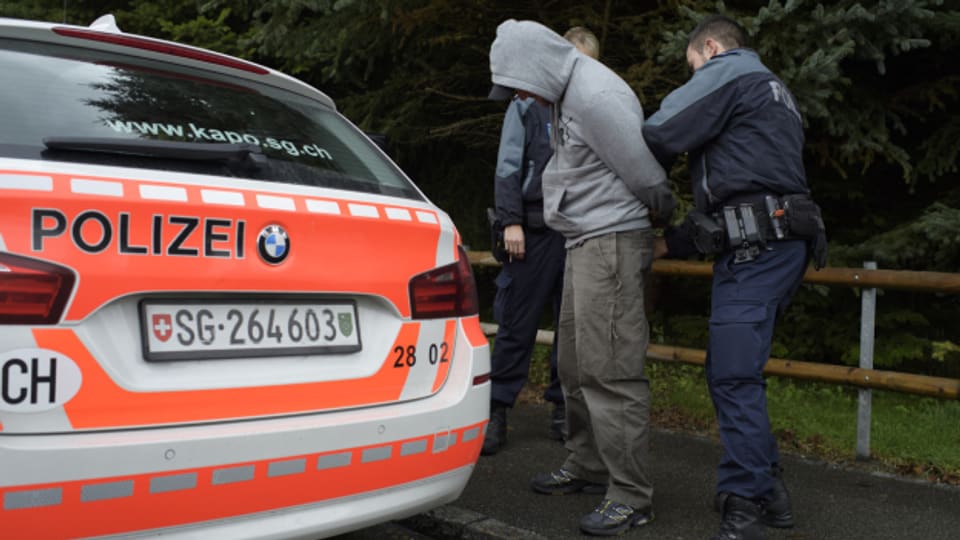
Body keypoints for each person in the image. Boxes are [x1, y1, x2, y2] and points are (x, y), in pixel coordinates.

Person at [488, 19, 676, 536]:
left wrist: (665, 215)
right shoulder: (559, 95)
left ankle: (632, 495)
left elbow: (643, 171)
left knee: (610, 370)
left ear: (535, 66)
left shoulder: (595, 93)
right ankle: (590, 465)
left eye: (519, 83)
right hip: (581, 240)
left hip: (612, 239)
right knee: (572, 364)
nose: (520, 96)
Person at [642, 14, 826, 540]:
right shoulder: (775, 88)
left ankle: (742, 505)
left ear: (712, 46)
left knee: (732, 376)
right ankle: (772, 495)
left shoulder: (731, 70)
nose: (693, 75)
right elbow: (747, 182)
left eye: (693, 65)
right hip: (778, 244)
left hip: (757, 251)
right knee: (739, 371)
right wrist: (671, 243)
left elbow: (658, 131)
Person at [482, 27, 601, 456]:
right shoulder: (527, 105)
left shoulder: (592, 108)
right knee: (517, 324)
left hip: (575, 232)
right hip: (530, 232)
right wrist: (511, 220)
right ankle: (495, 410)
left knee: (570, 330)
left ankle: (561, 408)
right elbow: (507, 165)